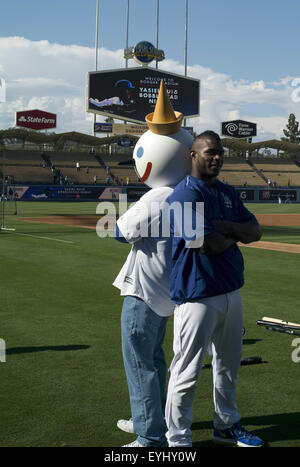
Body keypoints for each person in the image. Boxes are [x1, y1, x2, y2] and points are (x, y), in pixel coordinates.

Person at [165, 130, 264, 447]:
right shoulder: (183, 195)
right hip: (197, 296)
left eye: (219, 152)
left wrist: (225, 228)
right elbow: (207, 245)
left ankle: (226, 425)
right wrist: (233, 232)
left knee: (228, 366)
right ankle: (178, 439)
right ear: (193, 155)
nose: (216, 157)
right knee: (186, 371)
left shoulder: (224, 192)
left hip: (230, 292)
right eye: (209, 152)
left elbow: (255, 231)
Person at [113, 80, 193, 447]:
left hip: (143, 290)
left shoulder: (156, 196)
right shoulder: (190, 195)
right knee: (157, 361)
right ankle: (153, 419)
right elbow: (196, 242)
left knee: (140, 362)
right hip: (169, 292)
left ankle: (149, 435)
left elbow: (119, 232)